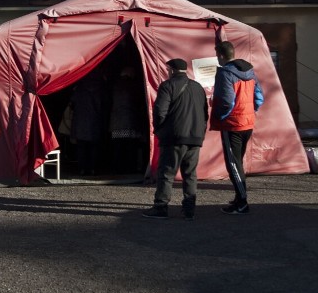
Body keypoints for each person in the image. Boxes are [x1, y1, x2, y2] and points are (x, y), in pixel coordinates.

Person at [144, 58, 208, 220]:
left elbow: (160, 112)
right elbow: (204, 113)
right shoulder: (198, 87)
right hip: (195, 137)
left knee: (166, 173)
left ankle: (161, 207)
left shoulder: (167, 86)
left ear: (171, 70)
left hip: (174, 137)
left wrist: (159, 130)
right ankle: (189, 209)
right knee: (190, 174)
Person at [210, 41, 264, 215]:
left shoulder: (225, 73)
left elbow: (226, 101)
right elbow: (259, 97)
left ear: (221, 55)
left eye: (217, 54)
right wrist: (250, 111)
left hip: (232, 123)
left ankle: (242, 202)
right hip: (248, 122)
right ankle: (238, 197)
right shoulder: (250, 72)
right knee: (238, 162)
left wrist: (219, 116)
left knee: (233, 164)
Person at [109, 66, 147, 174]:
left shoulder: (115, 86)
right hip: (130, 120)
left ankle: (116, 168)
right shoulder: (133, 86)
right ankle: (130, 169)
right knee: (130, 147)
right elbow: (138, 102)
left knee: (117, 147)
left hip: (116, 121)